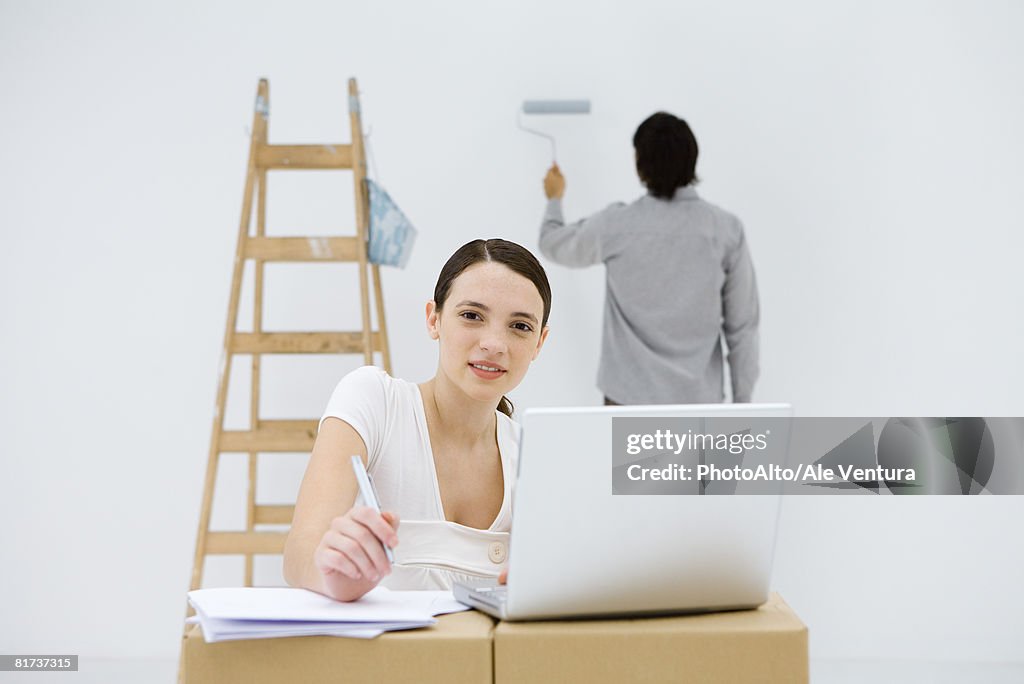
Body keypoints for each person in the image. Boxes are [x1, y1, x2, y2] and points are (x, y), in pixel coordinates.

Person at [283, 239, 551, 601]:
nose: (494, 343)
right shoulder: (374, 400)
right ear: (433, 319)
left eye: (519, 326)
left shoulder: (533, 459)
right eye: (472, 316)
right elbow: (300, 557)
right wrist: (336, 576)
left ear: (539, 343)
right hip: (380, 657)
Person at [538, 111, 759, 405]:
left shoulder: (615, 226)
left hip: (626, 402)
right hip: (699, 404)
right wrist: (742, 405)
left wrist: (554, 198)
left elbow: (552, 242)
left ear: (639, 164)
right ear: (692, 159)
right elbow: (742, 327)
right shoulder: (726, 231)